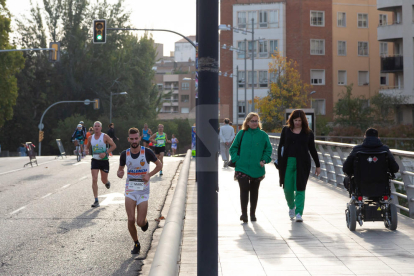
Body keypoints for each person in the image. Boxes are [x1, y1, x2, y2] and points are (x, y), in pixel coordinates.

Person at [117, 128, 162, 254]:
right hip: (130, 190)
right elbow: (120, 170)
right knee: (131, 219)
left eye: (136, 138)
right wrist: (119, 173)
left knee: (140, 222)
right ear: (128, 140)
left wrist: (149, 175)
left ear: (139, 138)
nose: (134, 141)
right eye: (132, 139)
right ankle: (136, 243)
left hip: (143, 191)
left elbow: (159, 165)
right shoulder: (124, 154)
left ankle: (144, 222)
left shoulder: (146, 152)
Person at [277, 109, 321, 222]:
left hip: (303, 163)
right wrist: (279, 161)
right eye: (295, 120)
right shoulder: (286, 130)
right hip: (287, 162)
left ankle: (299, 213)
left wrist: (317, 165)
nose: (297, 122)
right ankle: (291, 206)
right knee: (287, 188)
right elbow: (280, 146)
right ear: (292, 120)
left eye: (299, 120)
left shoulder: (308, 133)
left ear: (303, 121)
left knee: (300, 188)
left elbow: (312, 149)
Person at [229, 113, 272, 223]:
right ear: (247, 122)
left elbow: (268, 150)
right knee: (244, 190)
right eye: (252, 121)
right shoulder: (241, 133)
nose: (254, 123)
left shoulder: (263, 135)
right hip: (242, 167)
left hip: (257, 167)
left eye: (256, 121)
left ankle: (252, 213)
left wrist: (263, 160)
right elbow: (233, 148)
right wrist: (236, 158)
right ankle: (244, 214)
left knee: (254, 191)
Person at [85, 121, 116, 208]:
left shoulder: (105, 136)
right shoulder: (91, 138)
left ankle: (107, 182)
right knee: (94, 179)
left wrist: (106, 153)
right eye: (95, 126)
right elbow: (87, 146)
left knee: (103, 180)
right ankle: (96, 200)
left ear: (101, 128)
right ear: (93, 128)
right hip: (95, 160)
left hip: (104, 160)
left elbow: (113, 146)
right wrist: (86, 150)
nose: (97, 127)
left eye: (98, 126)